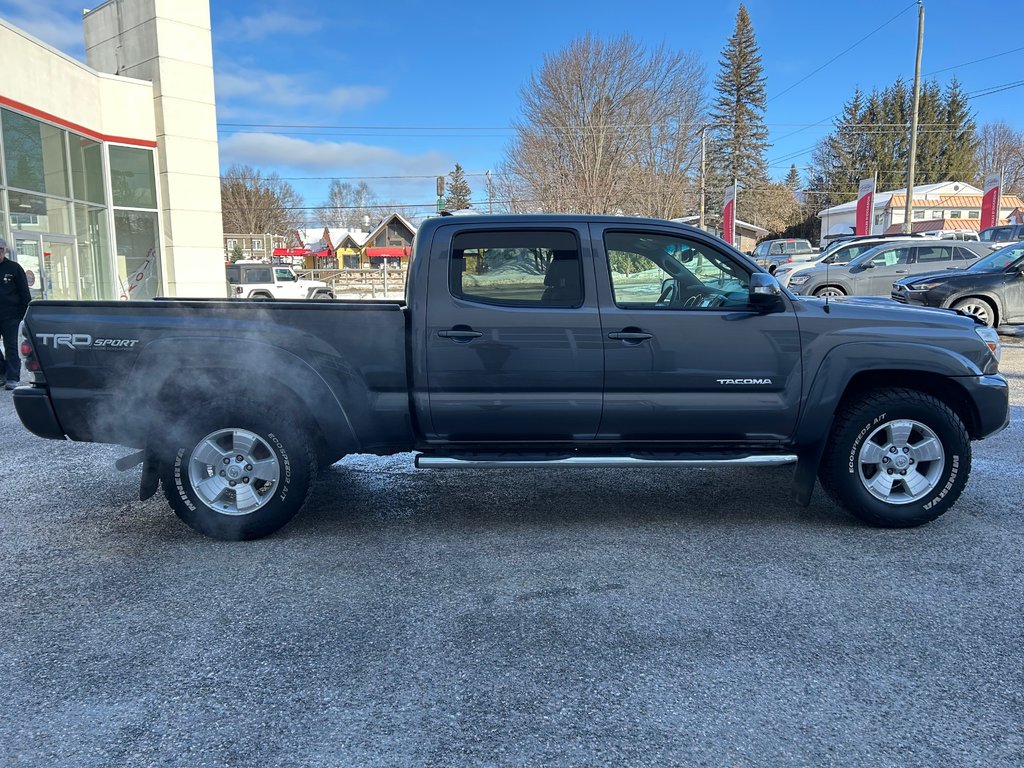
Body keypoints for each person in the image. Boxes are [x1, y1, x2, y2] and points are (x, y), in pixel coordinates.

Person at [0, 237, 32, 390]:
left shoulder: (14, 268)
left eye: (0, 249)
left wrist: (23, 314)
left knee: (11, 346)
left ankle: (12, 378)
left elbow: (24, 293)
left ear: (5, 251)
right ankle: (2, 373)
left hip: (11, 316)